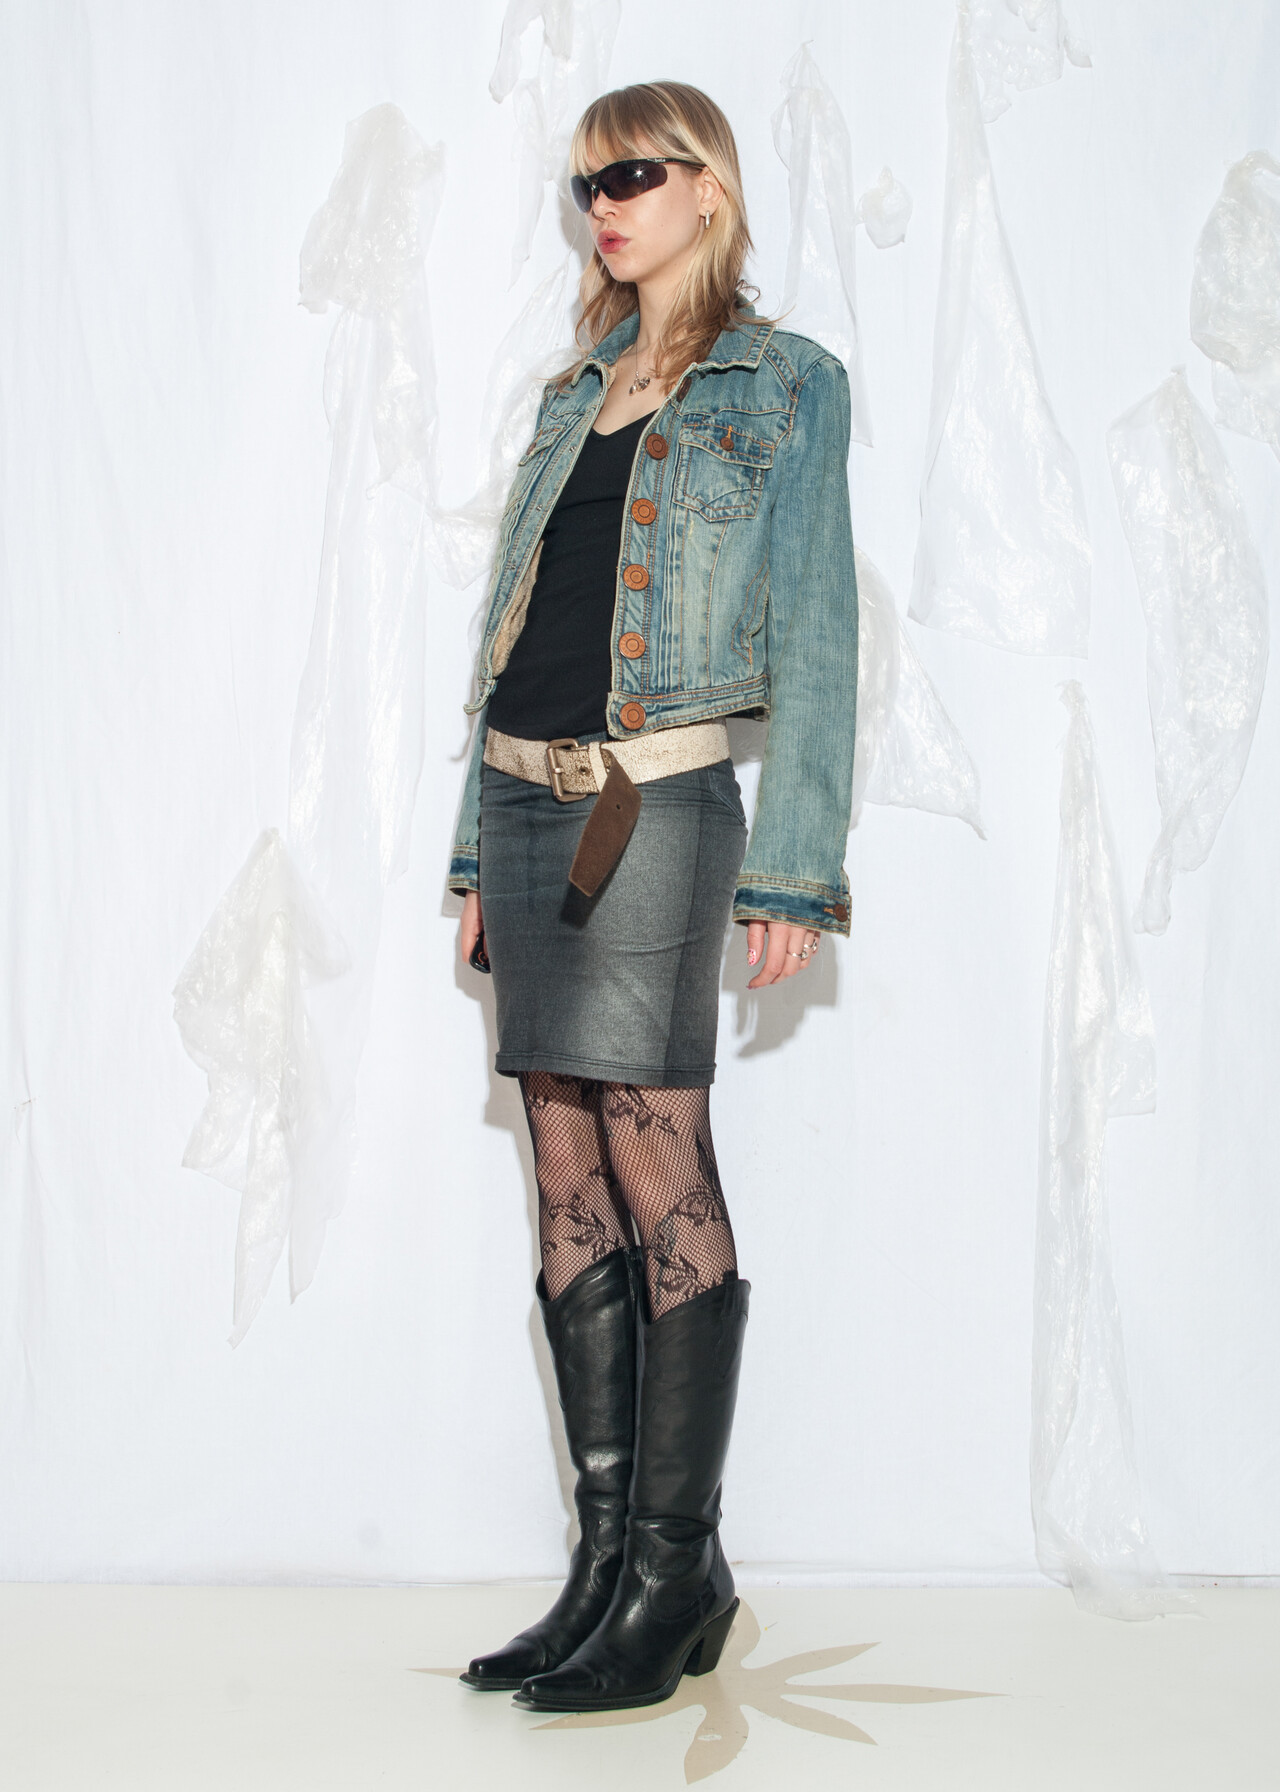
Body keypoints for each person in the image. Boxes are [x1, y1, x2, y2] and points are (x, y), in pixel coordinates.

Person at [448, 79, 857, 1714]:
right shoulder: (573, 393)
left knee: (651, 1142)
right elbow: (512, 625)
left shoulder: (784, 383)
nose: (605, 205)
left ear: (709, 188)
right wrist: (472, 851)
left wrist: (796, 865)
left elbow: (819, 628)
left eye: (632, 174)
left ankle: (675, 1567)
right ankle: (613, 1563)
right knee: (560, 1149)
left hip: (653, 802)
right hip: (523, 792)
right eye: (585, 185)